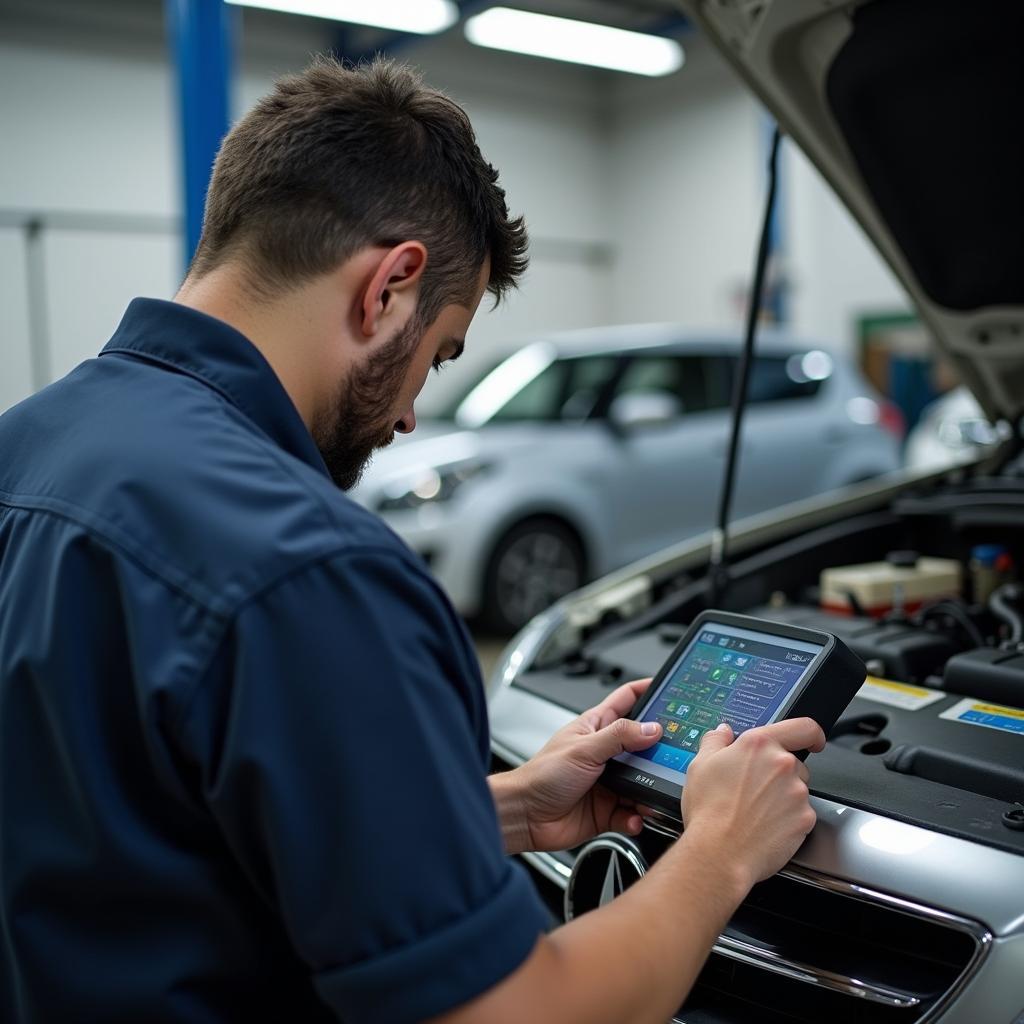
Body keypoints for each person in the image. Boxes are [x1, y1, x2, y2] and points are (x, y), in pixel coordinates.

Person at [0, 57, 824, 1023]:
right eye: (437, 356)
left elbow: (152, 826)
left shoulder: (26, 446)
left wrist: (513, 807)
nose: (409, 419)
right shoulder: (310, 569)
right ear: (389, 287)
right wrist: (720, 853)